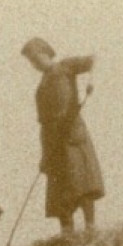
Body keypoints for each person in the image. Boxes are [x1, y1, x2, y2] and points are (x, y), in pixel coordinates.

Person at [22, 37, 104, 234]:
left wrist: (91, 83)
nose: (34, 64)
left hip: (71, 133)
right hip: (52, 140)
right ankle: (67, 233)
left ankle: (90, 227)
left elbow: (94, 59)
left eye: (35, 58)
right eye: (31, 62)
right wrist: (44, 153)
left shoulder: (65, 66)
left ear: (45, 53)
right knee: (59, 189)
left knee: (81, 182)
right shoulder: (41, 87)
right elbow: (43, 122)